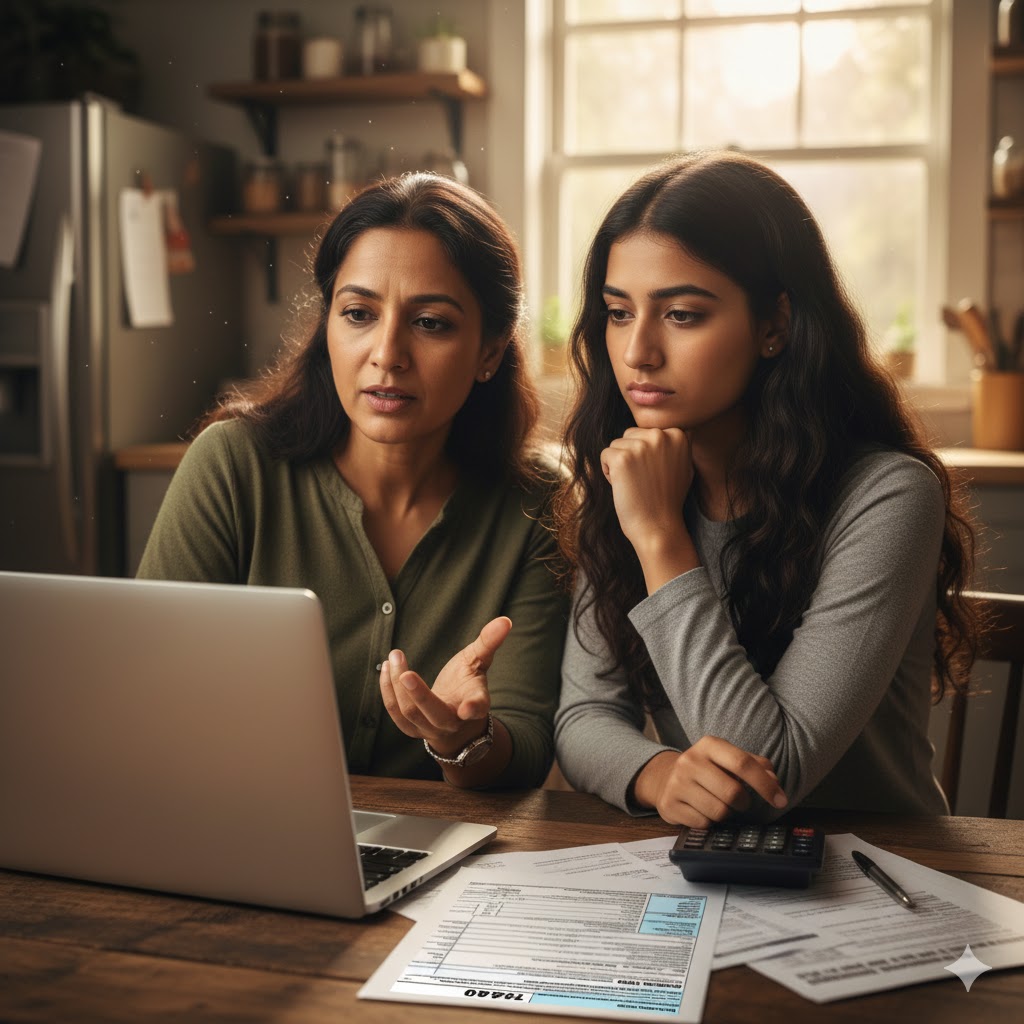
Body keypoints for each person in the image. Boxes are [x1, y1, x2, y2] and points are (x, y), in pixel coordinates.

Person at [553, 150, 981, 826]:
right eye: (618, 312)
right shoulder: (630, 474)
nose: (638, 353)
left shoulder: (889, 496)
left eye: (682, 314)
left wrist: (660, 538)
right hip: (707, 864)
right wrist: (658, 774)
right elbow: (584, 715)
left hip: (878, 865)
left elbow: (766, 775)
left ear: (775, 325)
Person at [138, 172, 568, 789]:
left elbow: (524, 747)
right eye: (359, 314)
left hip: (442, 841)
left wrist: (464, 740)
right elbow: (150, 693)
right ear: (328, 326)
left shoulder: (536, 503)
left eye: (431, 323)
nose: (387, 353)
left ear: (490, 352)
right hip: (239, 817)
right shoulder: (232, 466)